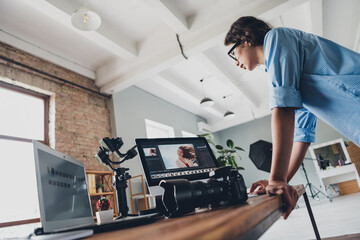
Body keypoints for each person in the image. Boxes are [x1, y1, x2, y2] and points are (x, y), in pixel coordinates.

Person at [224, 16, 360, 219]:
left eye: (233, 52)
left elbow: (283, 107)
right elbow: (303, 135)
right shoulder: (288, 72)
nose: (235, 62)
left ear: (246, 38)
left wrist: (277, 178)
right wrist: (280, 180)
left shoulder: (276, 37)